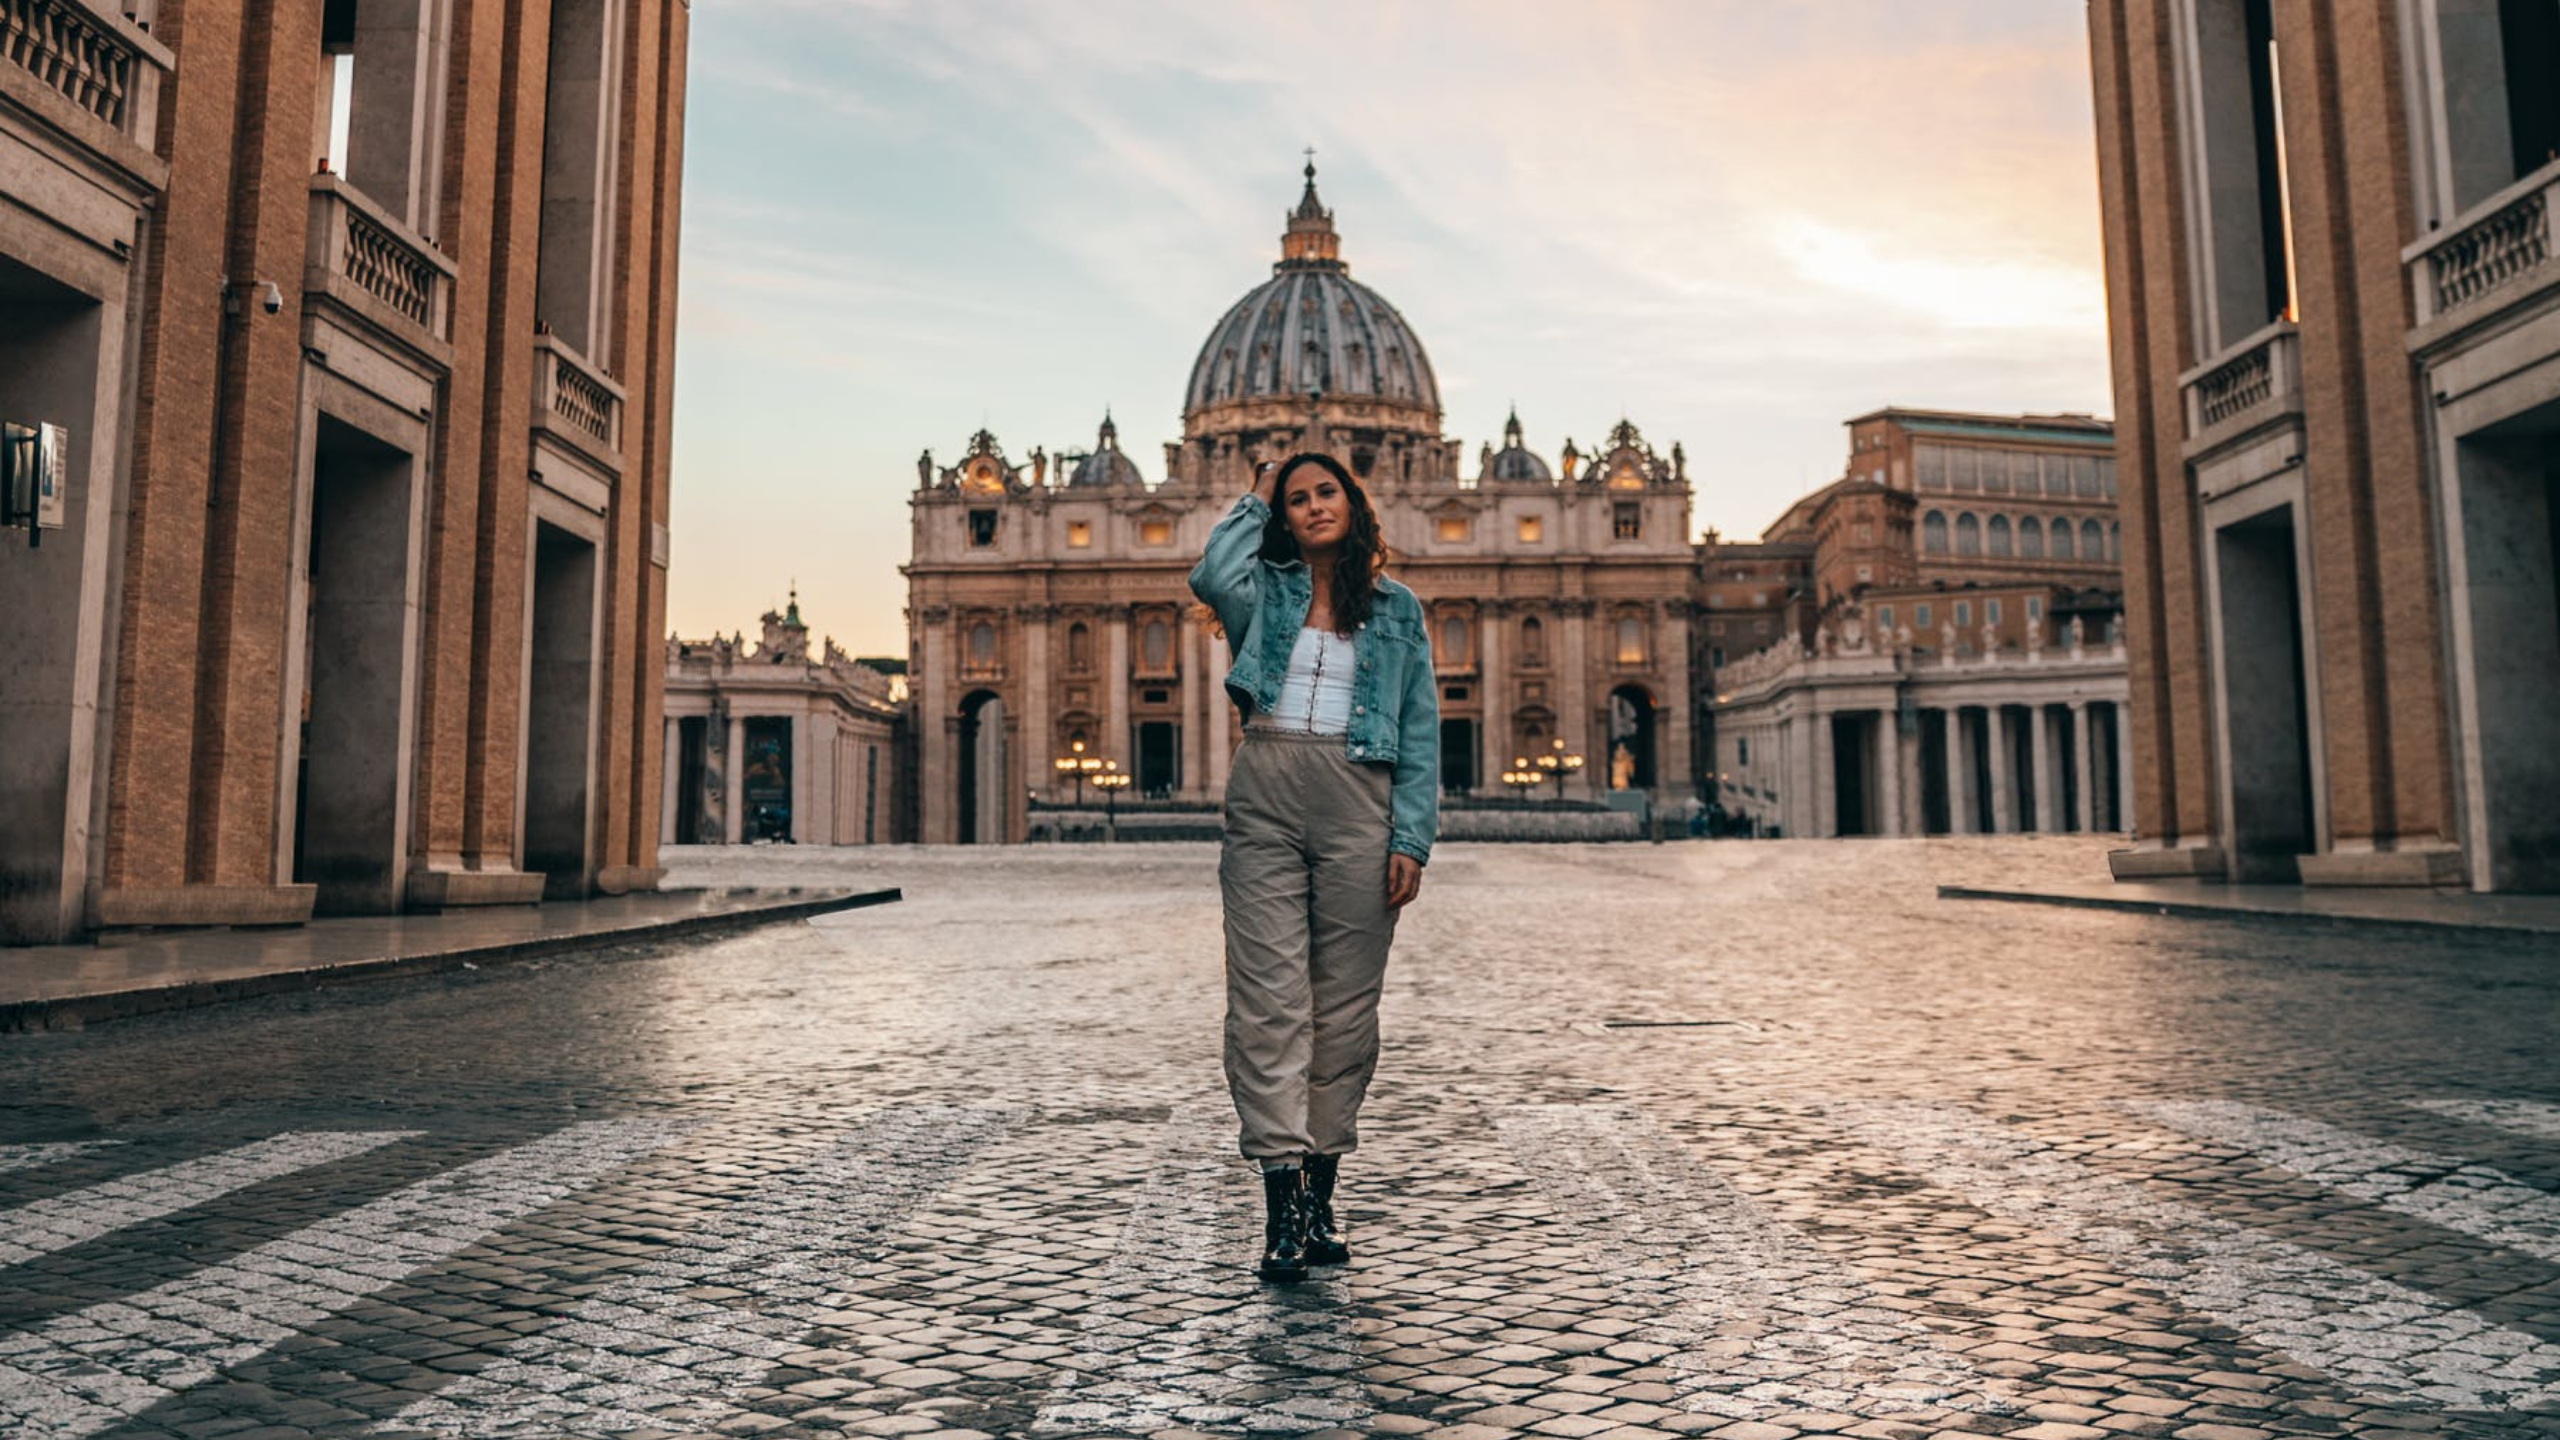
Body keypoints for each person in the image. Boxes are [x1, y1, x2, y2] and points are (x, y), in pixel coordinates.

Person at [1188, 451, 1439, 1284]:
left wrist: (1411, 837)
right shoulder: (1261, 593)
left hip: (1358, 797)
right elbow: (1211, 568)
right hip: (1266, 785)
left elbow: (1420, 732)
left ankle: (1322, 1186)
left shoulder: (1400, 610)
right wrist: (1255, 497)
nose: (1312, 507)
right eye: (1296, 499)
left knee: (1343, 1012)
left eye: (1325, 491)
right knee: (1265, 1002)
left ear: (1353, 501)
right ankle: (1282, 1206)